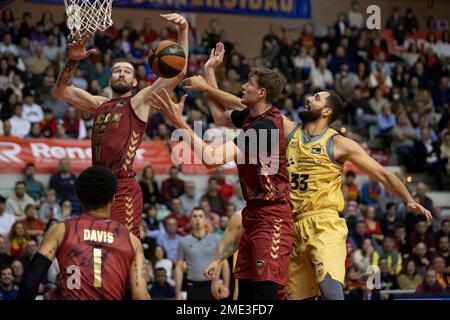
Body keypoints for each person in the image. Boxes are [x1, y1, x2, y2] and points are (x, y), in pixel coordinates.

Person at [180, 43, 432, 300]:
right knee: (293, 295)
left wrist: (409, 199)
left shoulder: (338, 143)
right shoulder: (289, 129)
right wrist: (210, 80)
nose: (309, 98)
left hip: (324, 222)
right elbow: (249, 105)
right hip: (292, 220)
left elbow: (382, 174)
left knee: (329, 286)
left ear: (326, 111)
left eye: (317, 98)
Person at [152, 49, 293, 300]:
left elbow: (211, 159)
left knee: (266, 294)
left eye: (249, 84)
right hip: (253, 212)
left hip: (273, 216)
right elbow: (219, 117)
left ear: (261, 93)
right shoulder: (252, 117)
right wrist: (209, 72)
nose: (243, 86)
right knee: (245, 293)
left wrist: (179, 123)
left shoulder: (266, 127)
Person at [52, 13, 189, 237]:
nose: (122, 73)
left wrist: (183, 31)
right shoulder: (100, 104)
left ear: (135, 82)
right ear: (110, 77)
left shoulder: (139, 101)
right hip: (97, 187)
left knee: (125, 247)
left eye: (127, 71)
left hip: (122, 186)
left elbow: (179, 71)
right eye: (117, 70)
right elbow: (61, 90)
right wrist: (74, 59)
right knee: (97, 247)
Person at [16, 166, 149, 300]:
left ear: (79, 197)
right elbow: (140, 296)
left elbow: (30, 282)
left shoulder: (60, 231)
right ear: (113, 199)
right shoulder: (132, 241)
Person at [175, 207, 227, 300]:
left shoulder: (215, 239)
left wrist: (226, 286)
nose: (197, 219)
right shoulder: (183, 241)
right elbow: (178, 268)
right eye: (194, 216)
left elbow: (224, 263)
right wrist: (178, 292)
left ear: (205, 219)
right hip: (192, 285)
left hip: (212, 284)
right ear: (190, 220)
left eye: (200, 216)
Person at [204, 211, 243, 300]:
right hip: (244, 278)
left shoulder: (280, 213)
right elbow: (223, 246)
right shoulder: (240, 216)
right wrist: (215, 280)